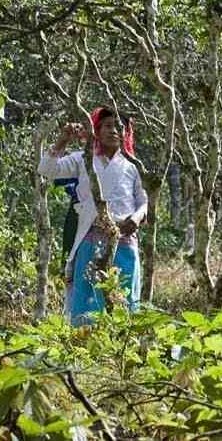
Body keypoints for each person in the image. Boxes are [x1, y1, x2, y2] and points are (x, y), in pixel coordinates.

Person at [38, 107, 146, 326]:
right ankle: (83, 350)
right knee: (87, 301)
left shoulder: (133, 166)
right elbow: (46, 169)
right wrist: (63, 140)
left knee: (123, 300)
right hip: (91, 239)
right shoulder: (83, 159)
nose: (113, 131)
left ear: (126, 133)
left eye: (119, 127)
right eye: (107, 125)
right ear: (96, 130)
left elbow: (143, 201)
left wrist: (135, 219)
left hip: (124, 242)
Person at [53, 177, 78, 313]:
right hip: (75, 218)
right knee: (70, 266)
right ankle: (69, 313)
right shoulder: (82, 161)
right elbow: (57, 177)